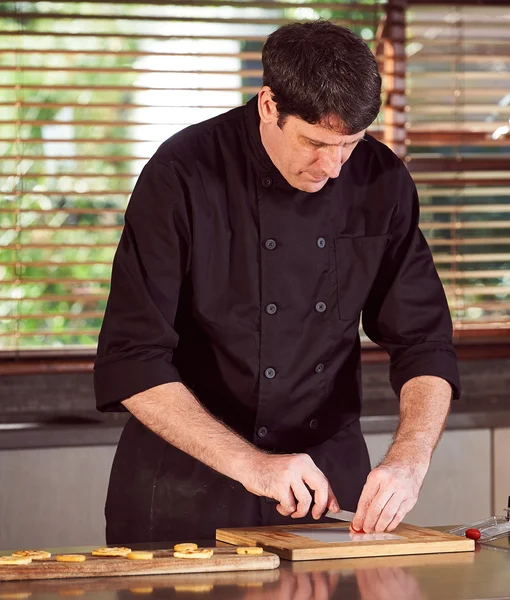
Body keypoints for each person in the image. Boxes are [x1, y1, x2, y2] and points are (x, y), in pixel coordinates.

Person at [94, 20, 460, 545]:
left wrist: (409, 460)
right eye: (315, 143)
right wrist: (257, 466)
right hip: (186, 492)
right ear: (269, 104)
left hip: (326, 494)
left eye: (349, 145)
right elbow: (132, 358)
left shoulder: (381, 181)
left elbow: (424, 342)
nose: (333, 167)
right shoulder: (181, 176)